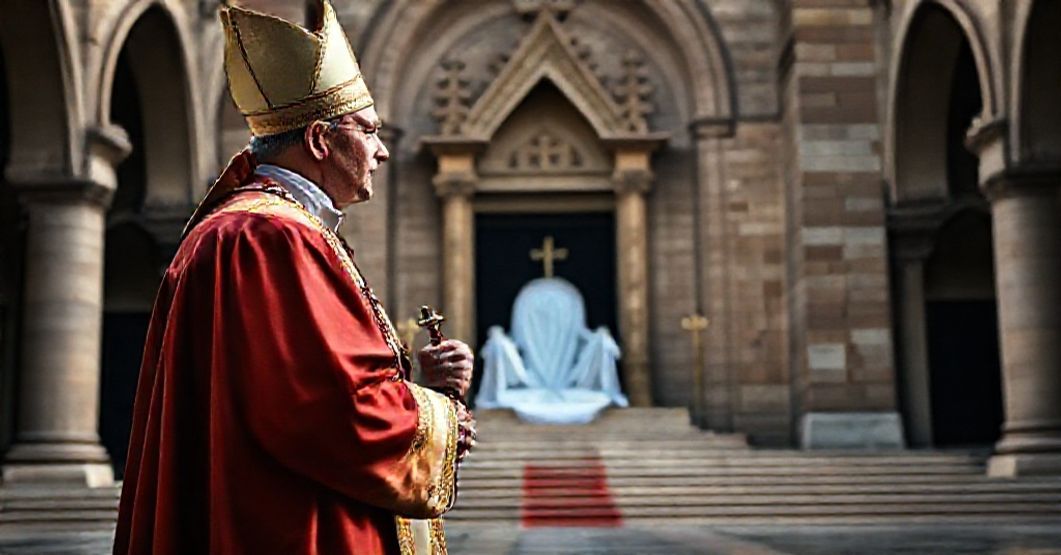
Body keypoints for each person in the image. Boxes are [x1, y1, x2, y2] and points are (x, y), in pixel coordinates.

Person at [113, 2, 475, 553]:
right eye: (369, 131)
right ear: (319, 141)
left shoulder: (263, 229)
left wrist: (415, 387)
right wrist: (438, 419)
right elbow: (323, 410)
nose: (381, 150)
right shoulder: (269, 239)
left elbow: (298, 382)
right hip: (295, 523)